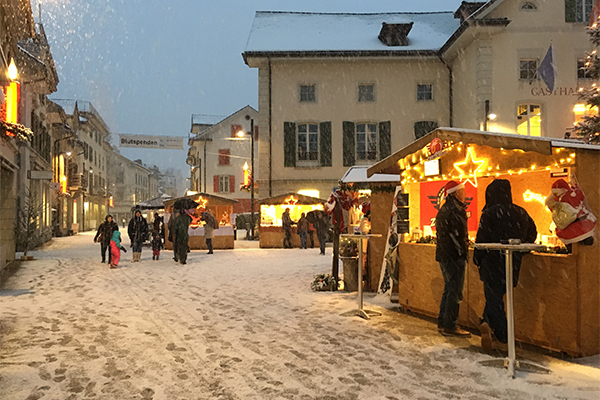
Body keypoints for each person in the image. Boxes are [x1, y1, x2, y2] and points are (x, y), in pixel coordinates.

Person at [474, 179, 537, 350]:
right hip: (512, 264)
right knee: (497, 298)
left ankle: (503, 337)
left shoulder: (489, 214)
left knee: (494, 300)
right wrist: (519, 248)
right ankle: (486, 322)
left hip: (491, 263)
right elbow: (532, 233)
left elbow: (481, 240)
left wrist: (477, 259)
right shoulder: (520, 212)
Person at [435, 181, 471, 338]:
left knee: (449, 288)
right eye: (462, 191)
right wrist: (463, 248)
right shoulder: (455, 211)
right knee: (455, 291)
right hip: (454, 255)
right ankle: (450, 324)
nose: (465, 194)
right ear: (456, 193)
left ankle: (443, 321)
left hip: (444, 254)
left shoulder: (444, 209)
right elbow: (458, 235)